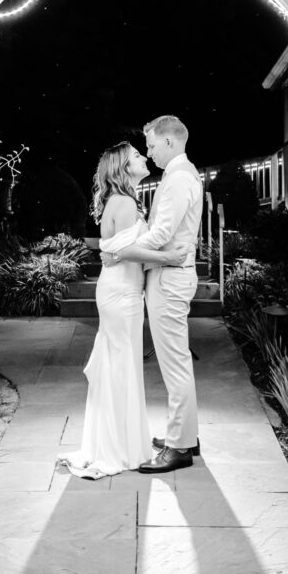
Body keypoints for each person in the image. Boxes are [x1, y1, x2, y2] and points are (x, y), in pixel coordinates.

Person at [58, 141, 188, 480]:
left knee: (120, 366)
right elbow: (128, 251)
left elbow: (117, 249)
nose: (143, 157)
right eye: (136, 156)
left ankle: (117, 442)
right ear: (123, 168)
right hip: (122, 294)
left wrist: (117, 250)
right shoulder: (126, 202)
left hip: (119, 290)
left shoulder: (122, 201)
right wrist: (168, 258)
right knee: (122, 367)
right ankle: (119, 448)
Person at [103, 115, 203, 474]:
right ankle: (185, 436)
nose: (148, 151)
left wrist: (120, 249)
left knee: (174, 364)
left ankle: (179, 447)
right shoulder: (181, 175)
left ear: (170, 143)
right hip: (170, 275)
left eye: (151, 145)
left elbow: (161, 234)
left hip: (169, 278)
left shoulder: (178, 179)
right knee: (176, 361)